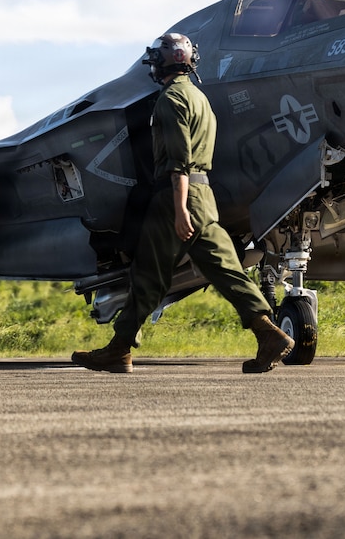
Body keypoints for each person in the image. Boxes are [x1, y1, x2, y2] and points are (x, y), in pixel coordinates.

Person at [71, 34, 294, 374]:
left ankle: (118, 350)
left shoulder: (171, 99)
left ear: (161, 62)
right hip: (204, 196)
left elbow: (178, 161)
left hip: (177, 196)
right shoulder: (199, 98)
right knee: (226, 270)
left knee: (148, 276)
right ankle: (268, 333)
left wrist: (178, 210)